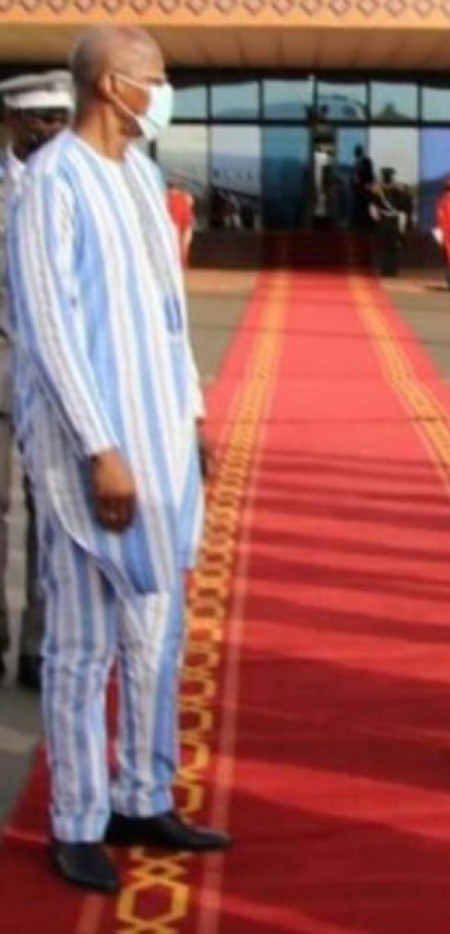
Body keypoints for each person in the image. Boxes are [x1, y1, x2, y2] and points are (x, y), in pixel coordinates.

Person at [6, 24, 228, 894]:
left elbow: (168, 319)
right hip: (93, 456)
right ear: (110, 84)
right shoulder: (50, 184)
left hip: (161, 445)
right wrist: (103, 448)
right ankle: (77, 818)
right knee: (83, 641)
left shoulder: (138, 173)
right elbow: (48, 329)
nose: (163, 90)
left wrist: (193, 420)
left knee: (157, 637)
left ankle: (143, 793)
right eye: (155, 77)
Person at [0, 69, 69, 695]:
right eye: (40, 119)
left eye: (59, 118)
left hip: (48, 378)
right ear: (12, 121)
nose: (51, 130)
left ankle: (38, 646)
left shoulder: (73, 187)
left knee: (47, 511)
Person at [371, 166, 411, 278]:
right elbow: (404, 208)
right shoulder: (399, 189)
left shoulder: (378, 190)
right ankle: (393, 270)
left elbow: (373, 208)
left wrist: (376, 219)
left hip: (383, 220)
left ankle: (385, 270)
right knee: (393, 247)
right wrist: (403, 225)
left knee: (384, 246)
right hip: (395, 220)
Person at [165, 178, 194, 267]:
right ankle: (183, 264)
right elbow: (190, 205)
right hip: (184, 223)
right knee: (183, 244)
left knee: (174, 245)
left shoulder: (165, 197)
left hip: (174, 223)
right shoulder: (186, 197)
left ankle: (179, 264)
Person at [351, 144, 375, 230]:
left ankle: (367, 226)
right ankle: (360, 226)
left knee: (365, 208)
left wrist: (367, 184)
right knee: (359, 209)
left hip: (365, 189)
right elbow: (354, 176)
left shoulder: (366, 162)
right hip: (358, 190)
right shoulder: (356, 163)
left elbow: (370, 175)